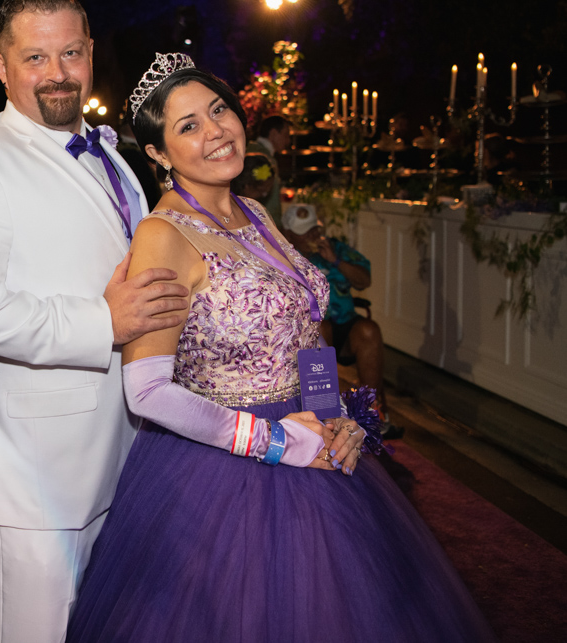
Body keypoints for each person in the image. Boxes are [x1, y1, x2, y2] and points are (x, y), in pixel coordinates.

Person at [66, 55, 494, 642]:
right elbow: (146, 391)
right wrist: (272, 442)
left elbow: (306, 329)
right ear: (159, 154)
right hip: (219, 464)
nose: (216, 130)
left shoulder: (256, 211)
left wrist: (332, 413)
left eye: (219, 110)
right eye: (188, 125)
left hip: (310, 432)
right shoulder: (162, 236)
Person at [0, 0, 190, 642]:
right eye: (35, 57)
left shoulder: (116, 158)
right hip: (32, 475)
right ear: (0, 67)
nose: (58, 73)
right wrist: (102, 324)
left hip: (124, 452)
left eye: (70, 52)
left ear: (91, 53)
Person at [282, 203, 402, 438]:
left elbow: (364, 280)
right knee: (320, 328)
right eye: (303, 232)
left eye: (313, 229)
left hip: (345, 322)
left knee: (369, 330)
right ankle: (325, 413)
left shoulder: (334, 248)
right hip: (306, 330)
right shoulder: (282, 254)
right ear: (287, 233)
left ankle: (370, 411)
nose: (312, 236)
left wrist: (335, 261)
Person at [249, 113, 290, 226]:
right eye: (285, 135)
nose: (287, 141)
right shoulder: (264, 160)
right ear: (273, 133)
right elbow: (271, 202)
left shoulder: (250, 149)